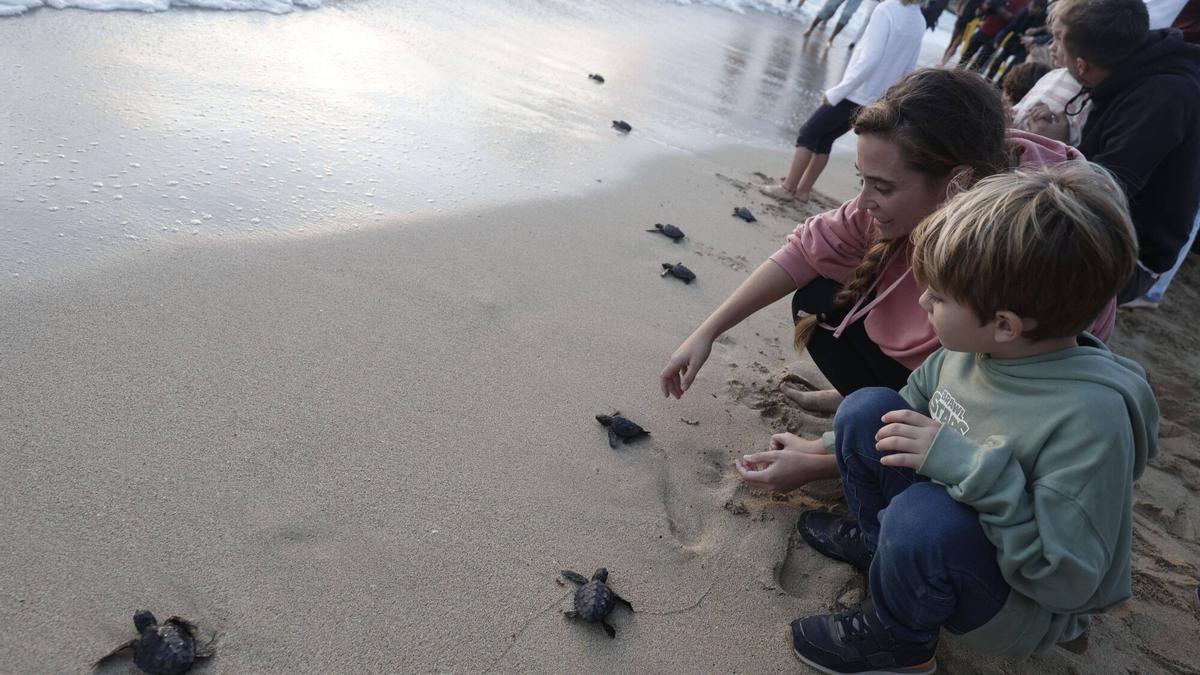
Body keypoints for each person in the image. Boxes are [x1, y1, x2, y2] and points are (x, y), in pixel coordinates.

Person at [661, 69, 1115, 494]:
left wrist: (824, 461)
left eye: (882, 187)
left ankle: (868, 429)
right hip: (938, 369)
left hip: (999, 408)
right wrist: (708, 332)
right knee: (817, 300)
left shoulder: (1021, 246)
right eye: (862, 179)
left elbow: (982, 417)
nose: (864, 202)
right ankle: (858, 405)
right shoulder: (927, 186)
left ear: (956, 181)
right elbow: (804, 250)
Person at [788, 163, 1159, 673]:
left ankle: (902, 642)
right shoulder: (970, 349)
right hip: (949, 532)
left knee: (922, 515)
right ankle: (882, 549)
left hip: (1015, 599)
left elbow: (1065, 580)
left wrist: (967, 466)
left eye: (938, 297)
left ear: (1004, 325)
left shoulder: (1090, 422)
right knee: (865, 410)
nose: (922, 300)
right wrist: (816, 454)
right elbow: (906, 411)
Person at [1051, 0, 1200, 303]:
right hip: (1104, 218)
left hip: (1130, 255)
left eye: (1057, 38)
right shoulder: (1133, 67)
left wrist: (1051, 149)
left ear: (1082, 65)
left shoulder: (1162, 97)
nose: (1052, 49)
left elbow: (1099, 189)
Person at [760, 0, 926, 204]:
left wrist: (838, 91)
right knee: (825, 138)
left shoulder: (887, 10)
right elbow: (908, 71)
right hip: (877, 100)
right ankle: (803, 191)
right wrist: (888, 101)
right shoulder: (919, 20)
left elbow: (870, 58)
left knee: (808, 133)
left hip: (855, 93)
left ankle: (789, 188)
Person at [983, 0, 1049, 79]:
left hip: (1027, 46)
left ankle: (1002, 84)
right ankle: (988, 77)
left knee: (1013, 66)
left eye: (1034, 8)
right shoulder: (1024, 11)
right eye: (1030, 6)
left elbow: (1047, 32)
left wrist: (1036, 32)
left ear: (1040, 9)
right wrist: (999, 39)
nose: (1031, 10)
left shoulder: (1044, 17)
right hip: (1014, 39)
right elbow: (1011, 27)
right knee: (999, 60)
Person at [959, 0, 1031, 69]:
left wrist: (1000, 9)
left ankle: (968, 79)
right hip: (985, 28)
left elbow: (1014, 20)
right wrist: (987, 6)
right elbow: (987, 6)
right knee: (966, 55)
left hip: (997, 36)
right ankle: (957, 74)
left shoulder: (1025, 3)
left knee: (979, 62)